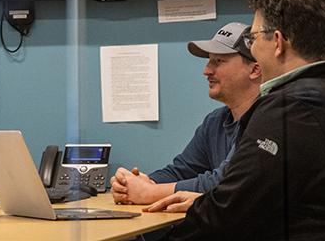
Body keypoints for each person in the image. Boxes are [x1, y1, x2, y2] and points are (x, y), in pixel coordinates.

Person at [147, 0, 325, 241]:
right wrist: (205, 202)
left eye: (252, 38)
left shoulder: (290, 110)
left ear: (277, 42)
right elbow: (242, 200)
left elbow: (225, 215)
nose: (252, 47)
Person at [111, 22, 262, 205]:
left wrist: (149, 193)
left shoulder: (264, 121)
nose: (206, 70)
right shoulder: (215, 121)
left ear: (255, 69)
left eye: (218, 61)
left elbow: (223, 181)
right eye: (209, 60)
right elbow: (181, 170)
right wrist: (135, 184)